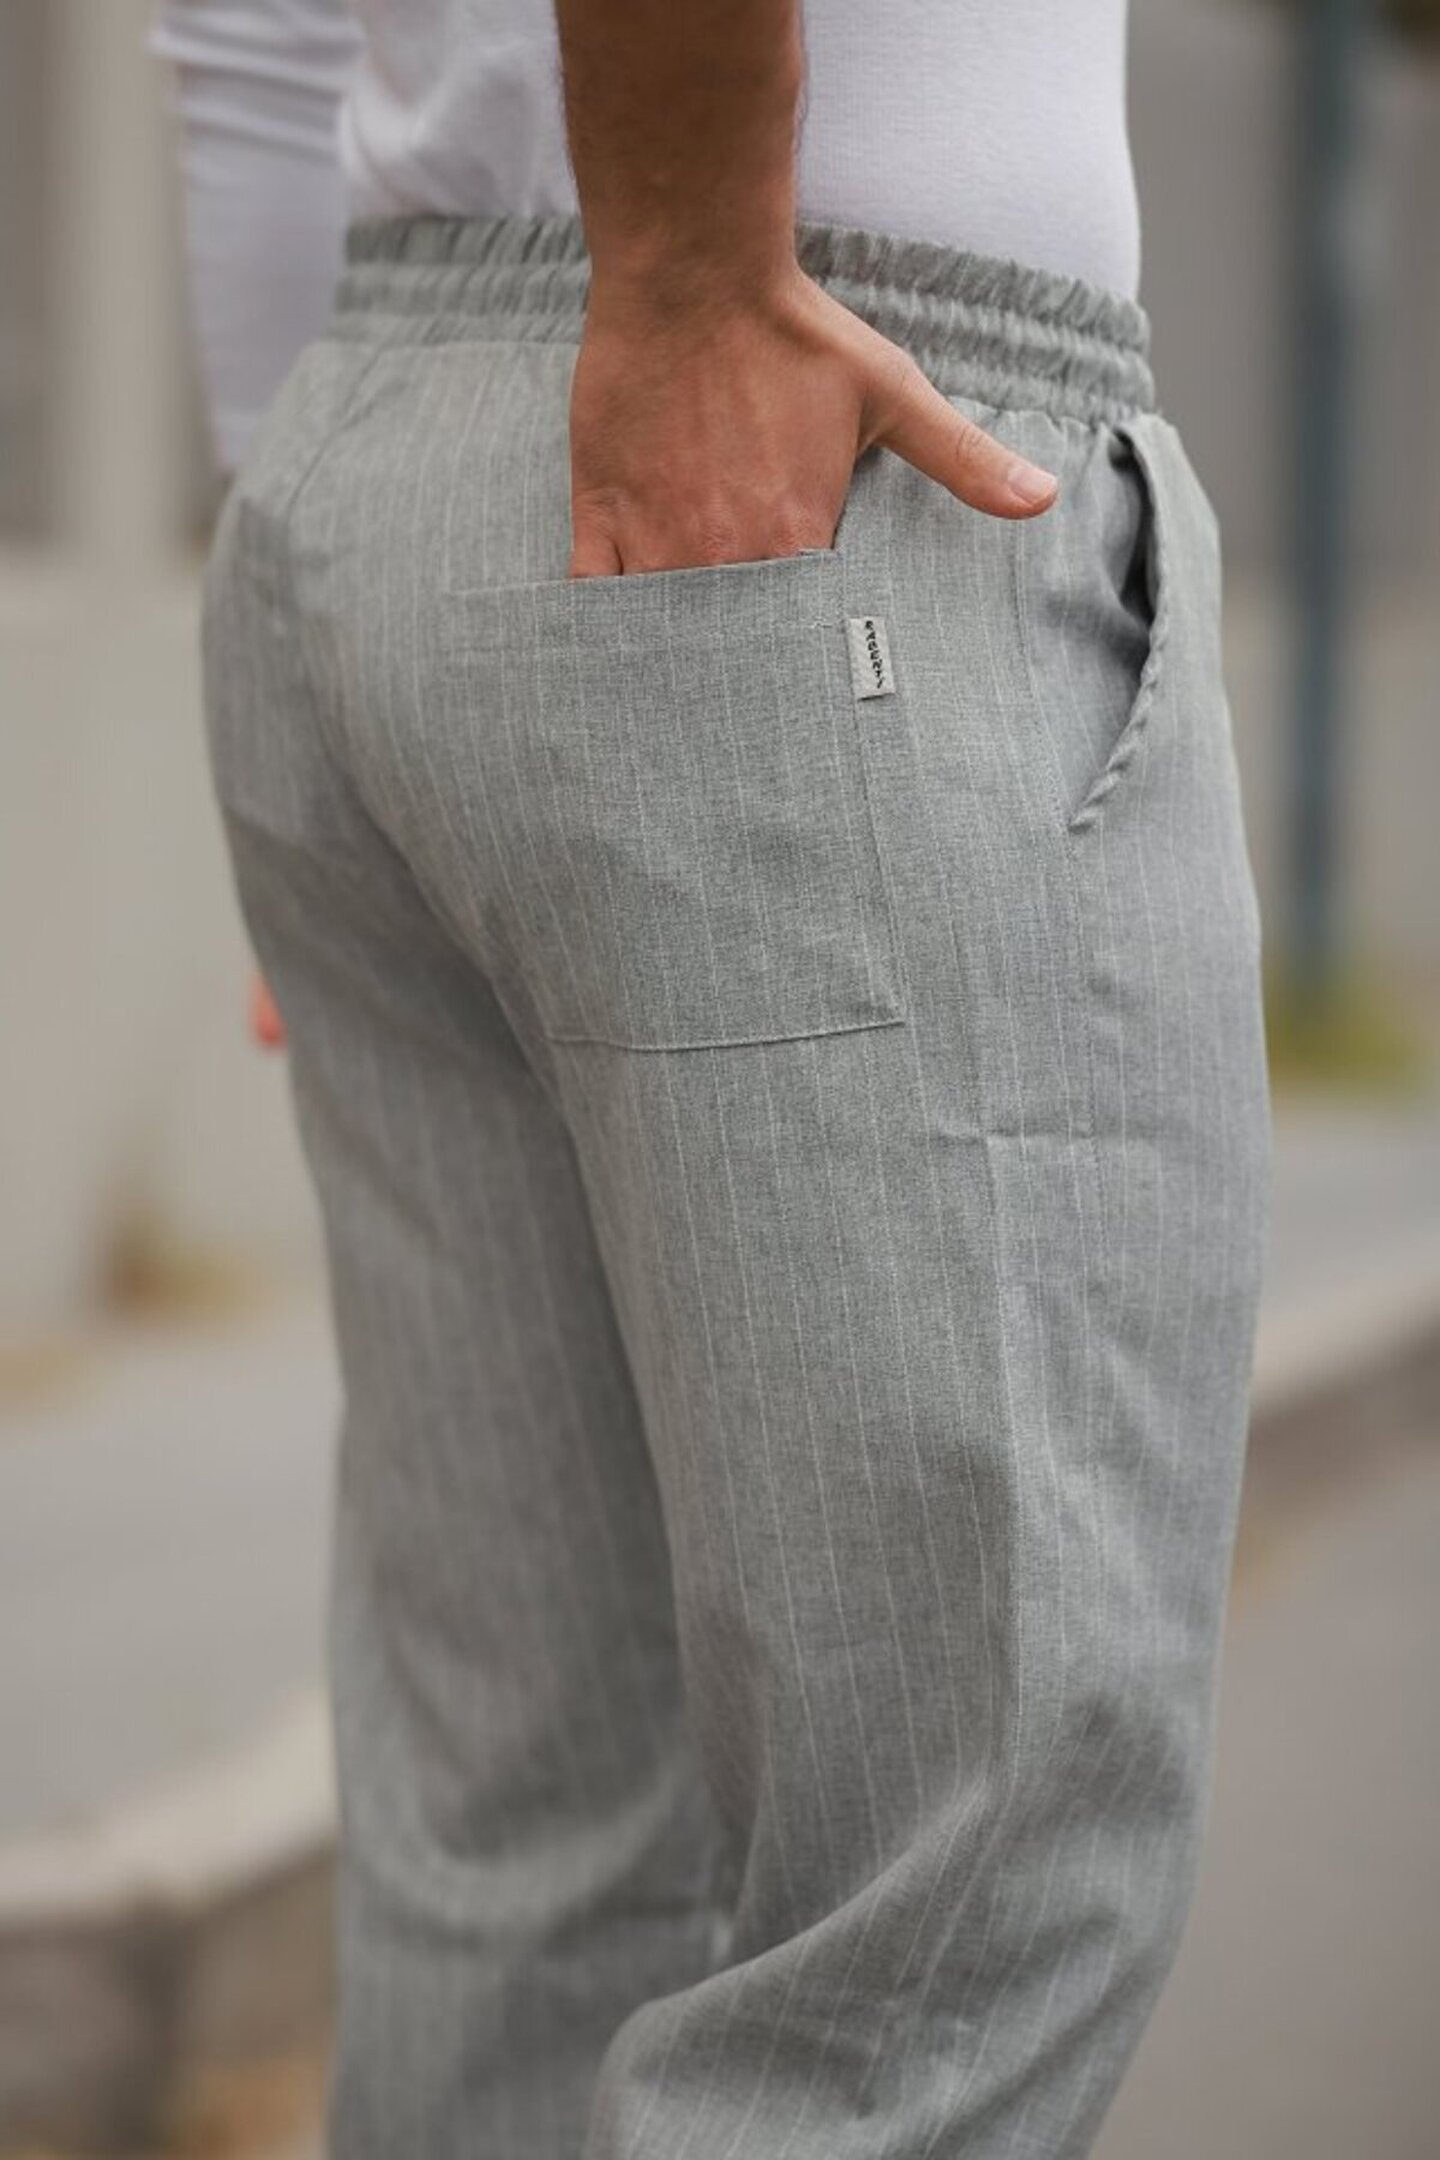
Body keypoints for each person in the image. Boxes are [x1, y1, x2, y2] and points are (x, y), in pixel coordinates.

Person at [153, 4, 1273, 2155]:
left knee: (523, 1851)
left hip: (369, 452)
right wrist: (683, 277)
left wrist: (338, 566)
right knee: (943, 1926)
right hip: (801, 421)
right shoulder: (703, 311)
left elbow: (255, 25)